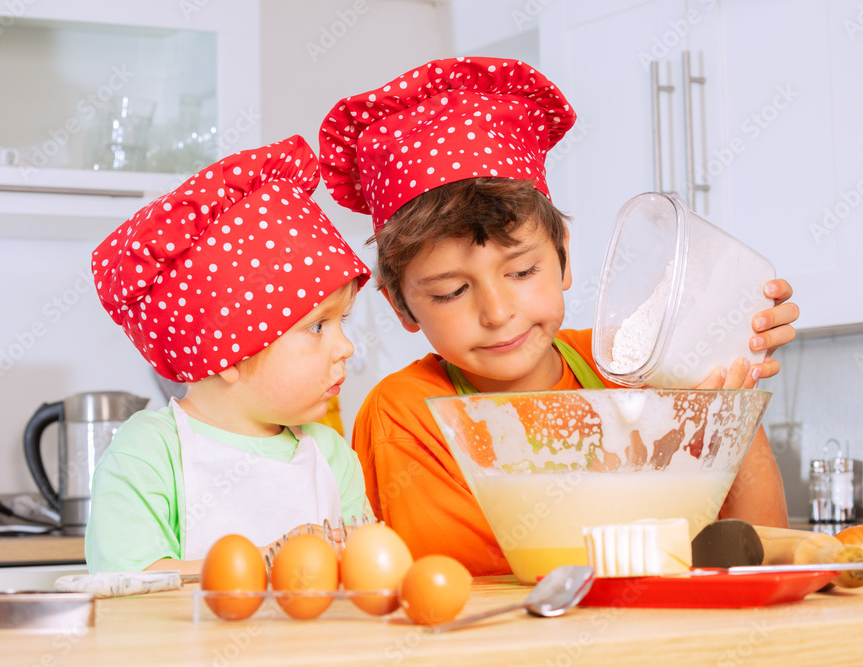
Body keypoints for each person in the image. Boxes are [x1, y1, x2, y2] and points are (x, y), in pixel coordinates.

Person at [320, 58, 799, 575]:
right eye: (453, 291)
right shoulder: (409, 416)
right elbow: (485, 590)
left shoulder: (632, 368)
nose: (498, 313)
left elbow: (755, 555)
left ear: (564, 258)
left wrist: (733, 409)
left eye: (523, 272)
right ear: (402, 306)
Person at [86, 135, 373, 574]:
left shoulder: (331, 455)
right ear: (229, 355)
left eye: (342, 322)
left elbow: (370, 572)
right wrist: (265, 562)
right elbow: (127, 581)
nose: (346, 347)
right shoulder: (149, 451)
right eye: (317, 326)